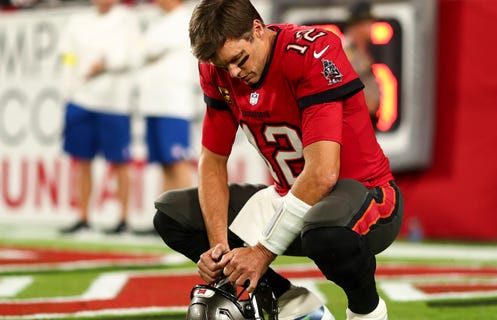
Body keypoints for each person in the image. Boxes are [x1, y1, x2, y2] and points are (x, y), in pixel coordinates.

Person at [153, 0, 404, 319]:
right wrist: (221, 251)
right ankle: (292, 305)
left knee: (326, 233)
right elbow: (212, 160)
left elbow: (323, 174)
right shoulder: (219, 67)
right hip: (289, 197)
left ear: (257, 30)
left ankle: (367, 311)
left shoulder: (311, 52)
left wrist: (261, 252)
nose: (233, 73)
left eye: (239, 59)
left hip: (365, 195)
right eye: (222, 65)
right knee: (172, 216)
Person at [58, 0, 140, 234]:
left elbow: (134, 57)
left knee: (120, 161)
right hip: (81, 100)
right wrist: (69, 90)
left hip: (114, 103)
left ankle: (123, 218)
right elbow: (69, 58)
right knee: (82, 160)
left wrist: (107, 64)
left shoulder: (127, 20)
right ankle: (83, 216)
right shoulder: (77, 22)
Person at [135, 0, 197, 194]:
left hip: (173, 104)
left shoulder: (186, 20)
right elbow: (141, 51)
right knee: (165, 163)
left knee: (177, 161)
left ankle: (186, 220)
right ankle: (167, 219)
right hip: (153, 103)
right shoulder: (159, 21)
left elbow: (149, 49)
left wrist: (144, 50)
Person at [343, 1, 381, 125]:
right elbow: (343, 88)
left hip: (367, 121)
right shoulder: (345, 52)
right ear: (357, 25)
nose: (371, 27)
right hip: (354, 121)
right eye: (368, 23)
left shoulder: (363, 49)